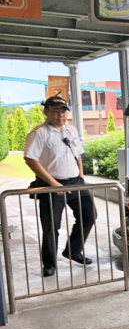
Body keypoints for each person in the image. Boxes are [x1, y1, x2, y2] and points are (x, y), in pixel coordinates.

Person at [24, 96, 94, 277]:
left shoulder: (71, 130)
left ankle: (73, 250)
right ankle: (49, 264)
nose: (60, 115)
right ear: (46, 112)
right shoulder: (39, 133)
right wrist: (53, 183)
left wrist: (80, 174)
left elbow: (78, 153)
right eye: (55, 111)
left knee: (89, 215)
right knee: (51, 226)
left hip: (75, 181)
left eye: (63, 111)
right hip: (52, 184)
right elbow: (30, 159)